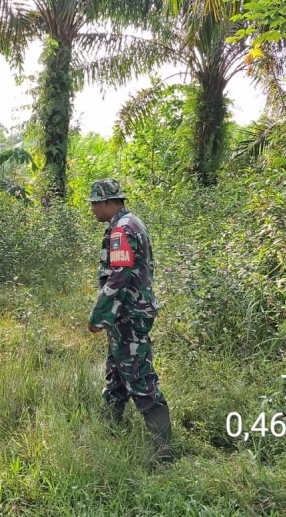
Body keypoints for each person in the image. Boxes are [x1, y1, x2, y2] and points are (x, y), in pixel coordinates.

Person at [86, 178, 172, 462]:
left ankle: (163, 451)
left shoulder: (122, 229)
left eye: (95, 203)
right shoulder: (131, 222)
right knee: (117, 371)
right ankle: (110, 427)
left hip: (129, 314)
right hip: (127, 313)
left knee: (139, 375)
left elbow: (119, 277)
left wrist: (99, 315)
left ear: (108, 202)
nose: (93, 209)